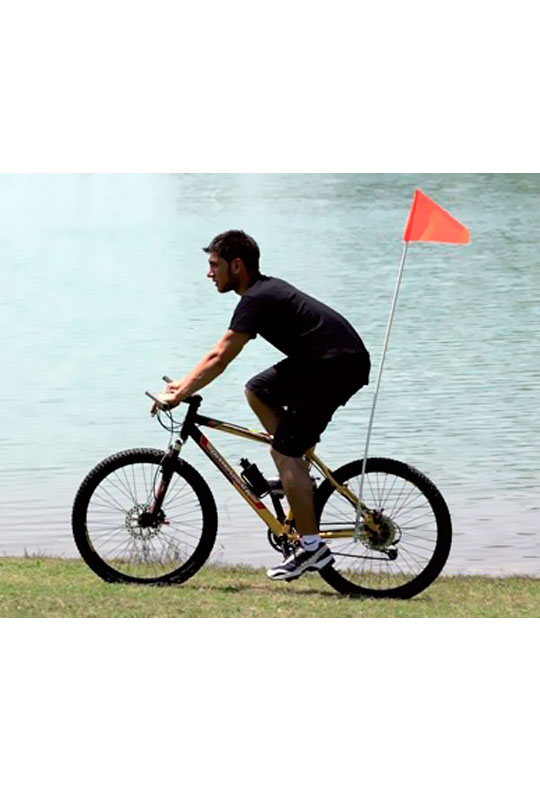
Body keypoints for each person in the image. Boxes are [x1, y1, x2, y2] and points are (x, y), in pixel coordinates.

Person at [151, 230, 370, 581]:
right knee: (259, 390)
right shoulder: (260, 293)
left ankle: (312, 548)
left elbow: (221, 356)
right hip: (324, 362)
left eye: (214, 265)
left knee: (284, 453)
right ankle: (296, 474)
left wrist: (179, 395)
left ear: (236, 265)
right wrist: (184, 382)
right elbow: (217, 356)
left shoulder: (258, 298)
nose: (209, 274)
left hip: (336, 367)